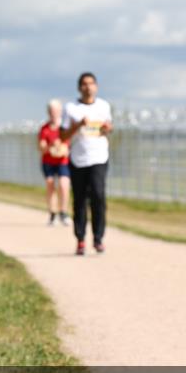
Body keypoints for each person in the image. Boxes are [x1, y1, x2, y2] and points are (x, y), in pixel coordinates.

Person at [59, 72, 113, 255]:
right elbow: (62, 136)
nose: (88, 87)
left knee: (98, 196)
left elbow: (108, 129)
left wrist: (107, 129)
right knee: (80, 200)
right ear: (79, 87)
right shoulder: (71, 108)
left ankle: (98, 238)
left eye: (91, 83)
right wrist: (77, 125)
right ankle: (80, 238)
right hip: (78, 159)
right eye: (84, 84)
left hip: (99, 157)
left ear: (96, 86)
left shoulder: (104, 106)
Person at [39, 99, 72, 226]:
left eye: (56, 111)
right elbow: (41, 147)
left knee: (64, 185)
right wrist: (50, 146)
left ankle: (63, 212)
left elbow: (69, 143)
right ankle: (52, 213)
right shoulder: (45, 129)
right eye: (52, 111)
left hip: (63, 161)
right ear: (48, 112)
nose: (54, 113)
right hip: (48, 161)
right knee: (50, 184)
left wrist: (64, 148)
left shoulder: (64, 127)